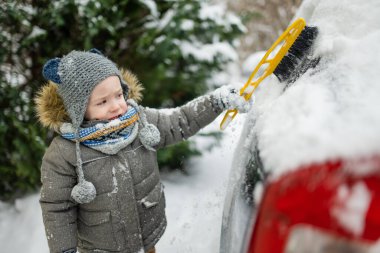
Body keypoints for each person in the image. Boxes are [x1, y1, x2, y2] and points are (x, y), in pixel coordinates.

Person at [35, 48, 252, 253]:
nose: (116, 106)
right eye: (102, 102)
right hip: (102, 248)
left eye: (119, 95)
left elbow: (181, 120)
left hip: (147, 237)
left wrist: (216, 101)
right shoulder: (63, 154)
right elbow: (57, 207)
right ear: (78, 109)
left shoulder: (141, 122)